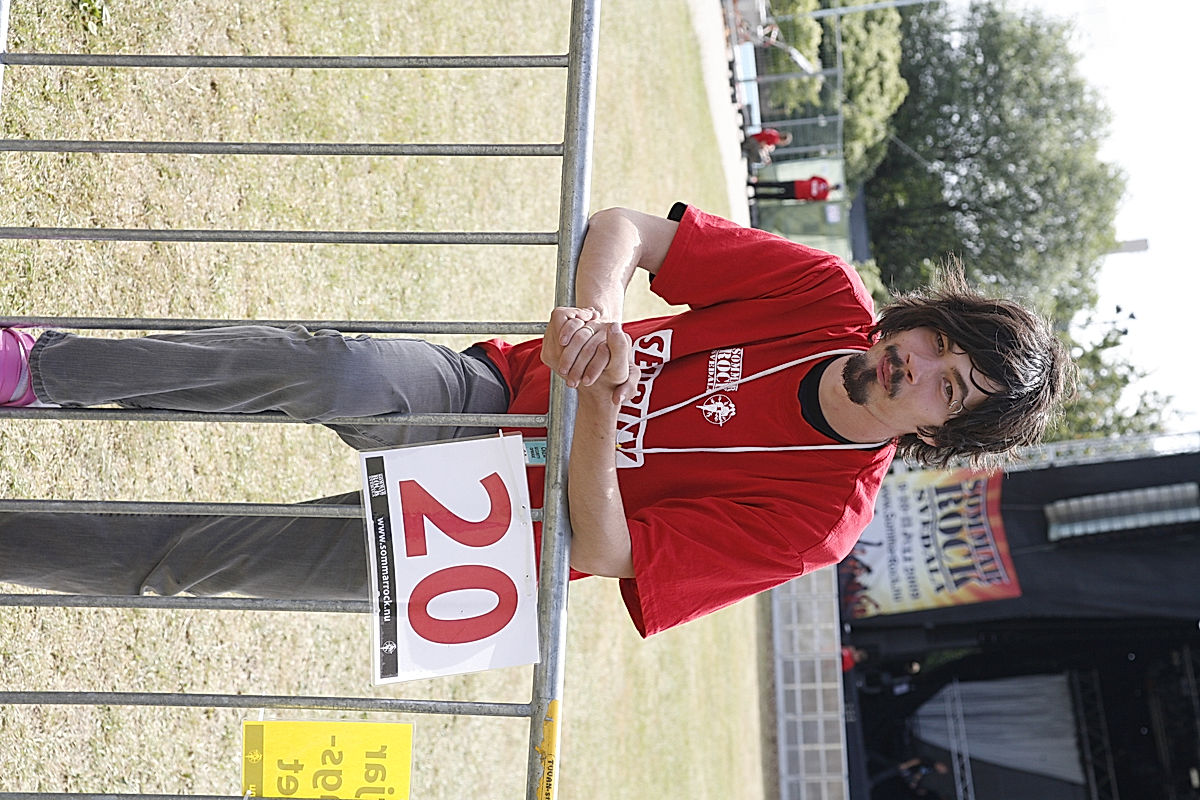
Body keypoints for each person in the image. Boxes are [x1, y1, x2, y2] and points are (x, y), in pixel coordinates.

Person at [0, 204, 1073, 637]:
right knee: (328, 369)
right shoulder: (821, 292)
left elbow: (607, 548)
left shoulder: (824, 516)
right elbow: (630, 230)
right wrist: (595, 313)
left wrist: (601, 411)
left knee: (202, 562)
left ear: (939, 433)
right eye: (939, 343)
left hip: (499, 539)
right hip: (493, 389)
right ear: (923, 317)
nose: (918, 365)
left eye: (949, 388)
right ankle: (35, 365)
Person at [749, 175, 840, 201]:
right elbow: (813, 177)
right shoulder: (823, 181)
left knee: (776, 196)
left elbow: (811, 199)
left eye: (834, 189)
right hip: (796, 184)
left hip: (797, 194)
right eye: (834, 186)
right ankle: (754, 185)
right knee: (775, 184)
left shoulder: (824, 196)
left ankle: (756, 196)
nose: (832, 188)